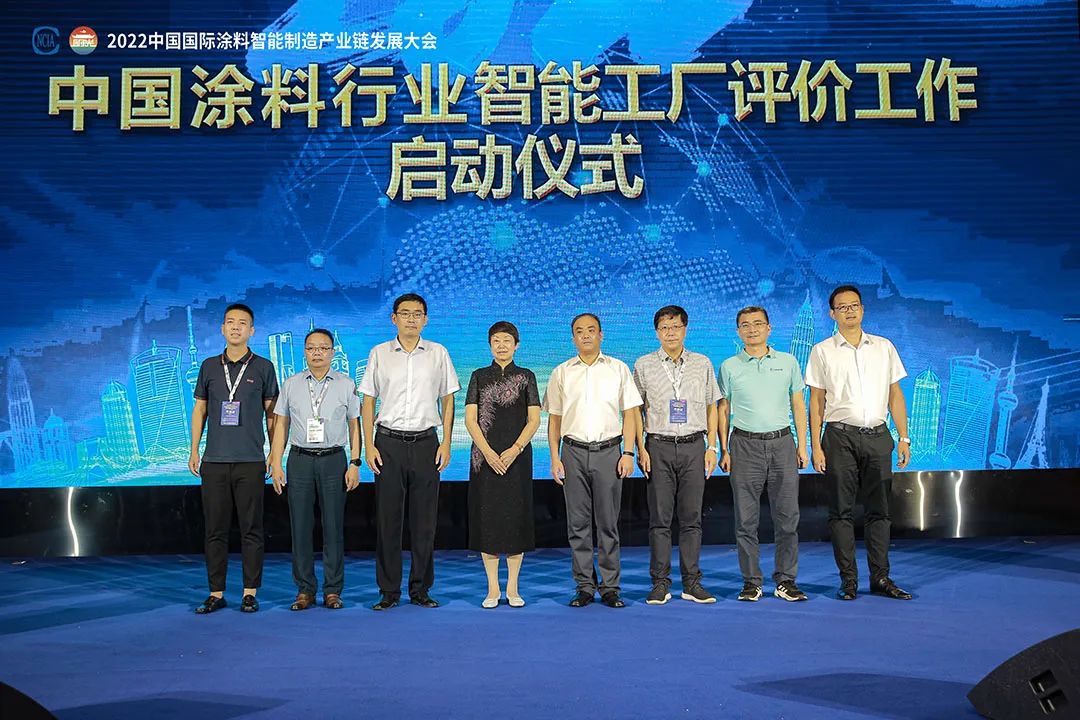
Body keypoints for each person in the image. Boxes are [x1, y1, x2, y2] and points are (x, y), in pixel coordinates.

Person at [806, 285, 913, 601]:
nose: (849, 311)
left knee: (880, 511)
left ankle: (881, 578)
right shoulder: (822, 350)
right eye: (842, 307)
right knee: (841, 511)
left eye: (854, 305)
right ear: (832, 314)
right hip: (839, 437)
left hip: (878, 436)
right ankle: (848, 581)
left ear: (863, 310)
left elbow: (895, 394)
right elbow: (816, 401)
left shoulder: (883, 347)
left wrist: (903, 437)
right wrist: (815, 446)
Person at [358, 293, 460, 610]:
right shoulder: (379, 353)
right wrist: (369, 445)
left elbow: (448, 399)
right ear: (394, 318)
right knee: (388, 521)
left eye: (417, 314)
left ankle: (420, 589)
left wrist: (446, 442)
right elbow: (368, 400)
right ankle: (388, 591)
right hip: (387, 443)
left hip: (427, 443)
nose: (411, 319)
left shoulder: (438, 353)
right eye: (405, 313)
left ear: (425, 319)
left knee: (424, 522)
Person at [544, 313, 642, 609]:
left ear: (601, 335)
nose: (585, 335)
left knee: (608, 524)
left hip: (609, 452)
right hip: (572, 452)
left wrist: (628, 453)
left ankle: (610, 587)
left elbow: (630, 414)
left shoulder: (618, 368)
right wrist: (554, 457)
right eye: (579, 331)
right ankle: (584, 586)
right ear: (573, 337)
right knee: (578, 525)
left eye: (591, 330)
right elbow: (554, 419)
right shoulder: (561, 372)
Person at [189, 303, 278, 614]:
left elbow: (272, 415)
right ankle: (216, 593)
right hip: (214, 461)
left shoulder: (263, 367)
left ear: (251, 330)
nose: (236, 327)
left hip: (250, 461)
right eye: (230, 322)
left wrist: (274, 453)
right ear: (222, 329)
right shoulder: (209, 366)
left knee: (251, 529)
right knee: (215, 530)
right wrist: (194, 449)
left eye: (242, 323)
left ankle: (249, 592)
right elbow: (200, 410)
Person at [717, 306, 808, 603]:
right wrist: (723, 448)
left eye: (758, 324)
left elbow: (798, 404)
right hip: (744, 445)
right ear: (738, 331)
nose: (752, 329)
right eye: (745, 325)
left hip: (782, 443)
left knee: (788, 518)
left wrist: (802, 445)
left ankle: (786, 581)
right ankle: (751, 582)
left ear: (769, 328)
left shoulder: (788, 361)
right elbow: (723, 409)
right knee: (746, 520)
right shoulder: (729, 366)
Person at [632, 305, 721, 605]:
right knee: (659, 520)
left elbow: (712, 406)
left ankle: (692, 583)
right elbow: (634, 410)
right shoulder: (644, 364)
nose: (670, 333)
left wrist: (712, 447)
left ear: (685, 329)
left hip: (695, 445)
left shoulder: (702, 363)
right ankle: (660, 583)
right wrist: (640, 448)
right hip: (658, 446)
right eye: (664, 328)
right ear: (657, 332)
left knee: (692, 519)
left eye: (675, 327)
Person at [269, 328, 362, 611]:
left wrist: (355, 462)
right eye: (311, 348)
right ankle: (304, 590)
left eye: (323, 348)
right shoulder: (291, 384)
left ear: (332, 352)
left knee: (333, 527)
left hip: (334, 459)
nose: (317, 353)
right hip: (300, 459)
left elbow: (355, 425)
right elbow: (281, 424)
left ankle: (332, 590)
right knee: (300, 526)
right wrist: (276, 461)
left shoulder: (346, 384)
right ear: (305, 352)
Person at [464, 321, 541, 608]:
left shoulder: (527, 376)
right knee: (489, 521)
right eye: (496, 340)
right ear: (490, 345)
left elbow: (534, 419)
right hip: (484, 459)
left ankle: (513, 588)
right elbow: (470, 420)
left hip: (517, 458)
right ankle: (493, 589)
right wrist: (488, 453)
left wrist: (514, 449)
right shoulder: (478, 376)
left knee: (515, 519)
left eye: (507, 340)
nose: (501, 345)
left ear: (516, 345)